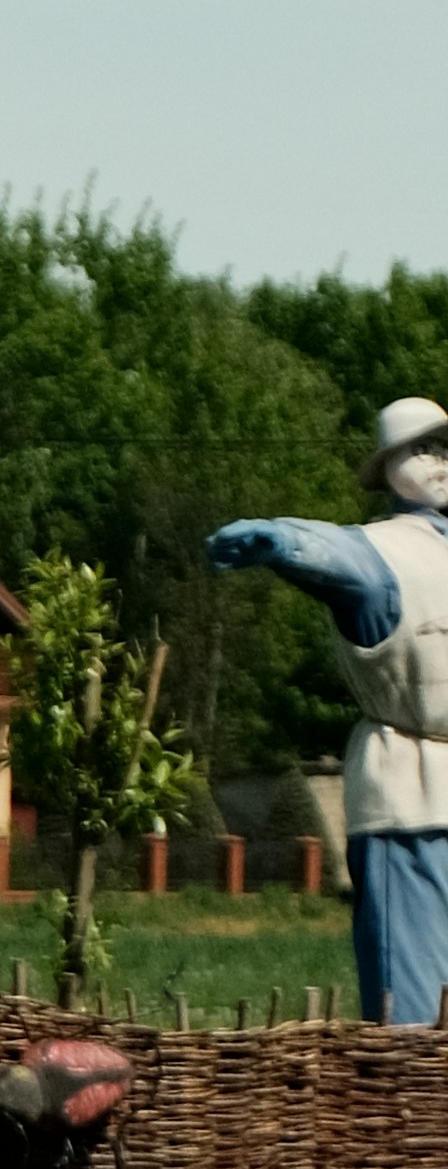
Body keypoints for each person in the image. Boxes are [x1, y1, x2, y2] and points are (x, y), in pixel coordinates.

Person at [207, 397, 448, 1026]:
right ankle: (414, 1121)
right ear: (388, 466)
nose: (438, 462)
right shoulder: (384, 554)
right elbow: (333, 552)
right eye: (420, 448)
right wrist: (278, 539)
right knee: (413, 1007)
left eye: (444, 447)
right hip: (409, 795)